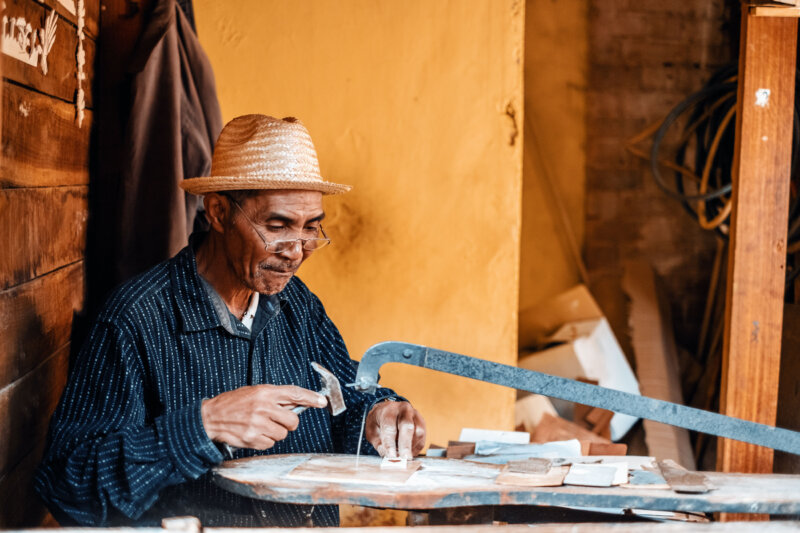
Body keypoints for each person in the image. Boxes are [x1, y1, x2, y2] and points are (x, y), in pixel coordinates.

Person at [35, 115, 427, 527]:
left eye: (312, 228)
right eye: (277, 226)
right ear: (219, 213)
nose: (296, 251)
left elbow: (343, 397)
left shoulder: (297, 304)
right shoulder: (135, 320)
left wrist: (377, 415)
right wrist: (203, 425)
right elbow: (68, 488)